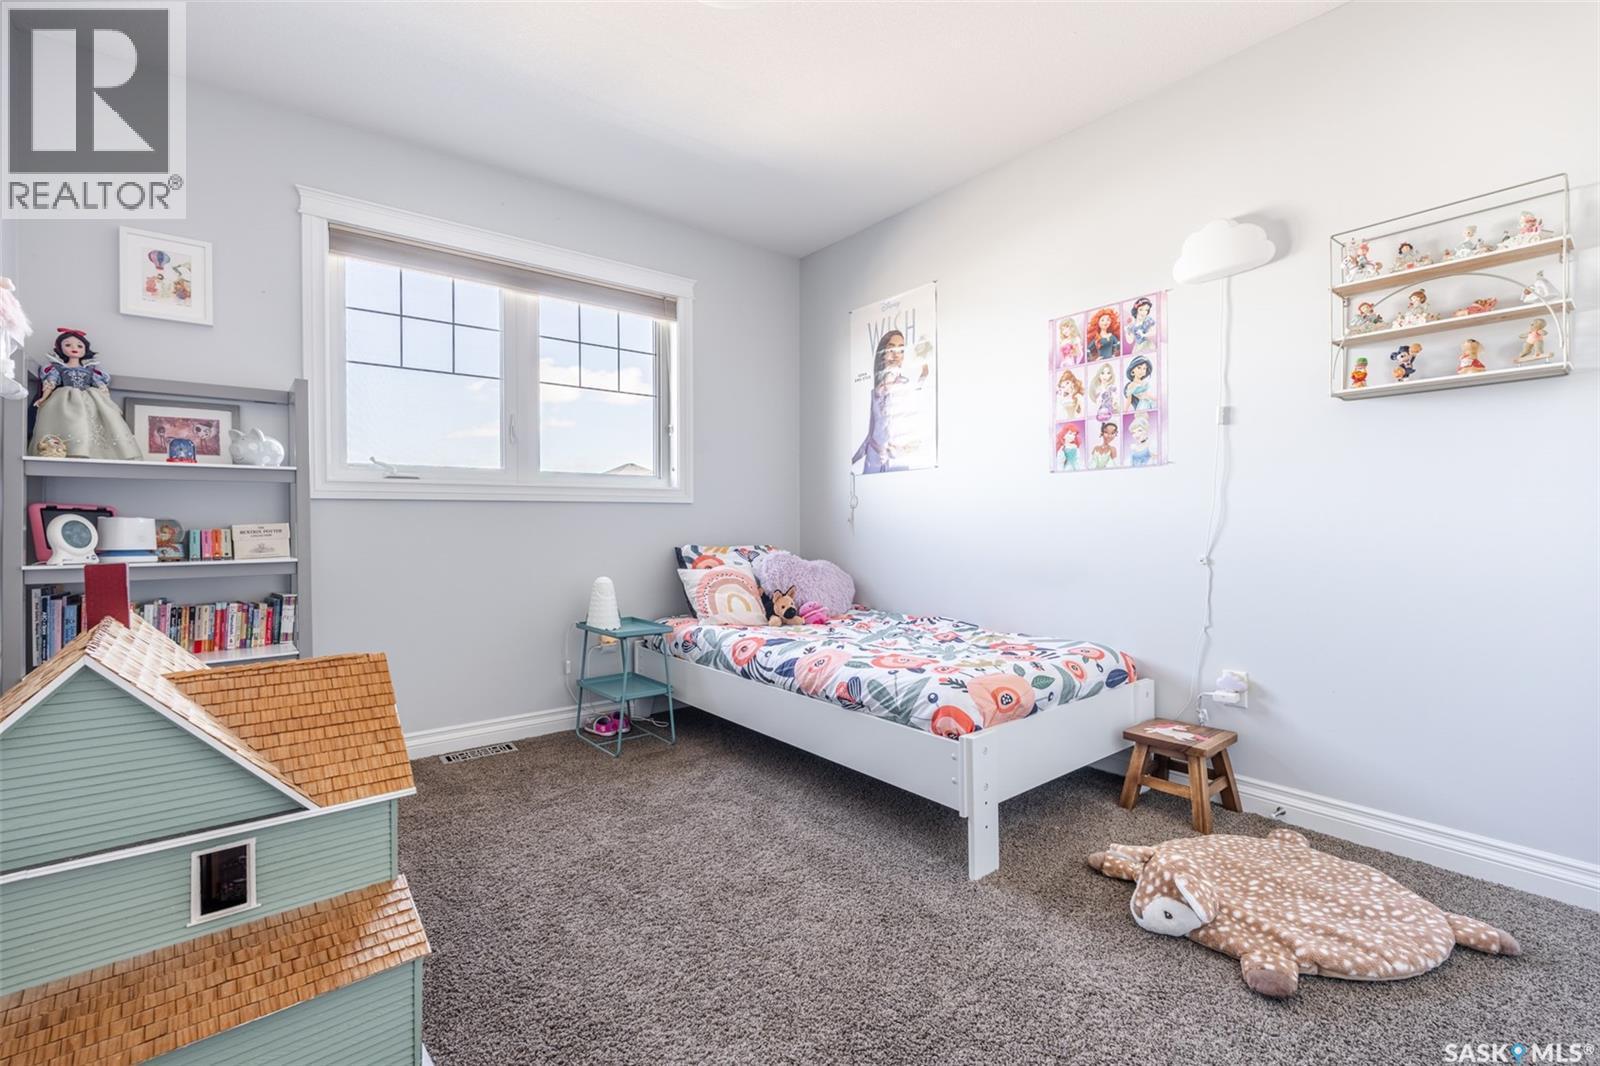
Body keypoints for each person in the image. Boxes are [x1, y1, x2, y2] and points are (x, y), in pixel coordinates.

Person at [29, 328, 140, 459]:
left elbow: (102, 387)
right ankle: (68, 449)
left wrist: (109, 403)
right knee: (72, 421)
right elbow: (50, 383)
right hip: (66, 397)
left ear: (85, 350)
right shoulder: (58, 368)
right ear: (60, 348)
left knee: (99, 419)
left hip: (91, 397)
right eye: (68, 345)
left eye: (79, 346)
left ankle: (100, 451)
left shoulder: (91, 369)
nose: (74, 348)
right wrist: (43, 398)